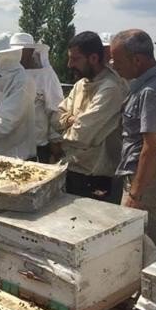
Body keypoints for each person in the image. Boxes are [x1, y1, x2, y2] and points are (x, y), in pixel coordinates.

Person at [110, 29, 156, 254]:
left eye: (117, 60)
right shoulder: (149, 84)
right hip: (143, 178)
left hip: (147, 183)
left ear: (137, 60)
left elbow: (151, 147)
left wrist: (135, 195)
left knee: (140, 247)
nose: (113, 65)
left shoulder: (152, 91)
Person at [55, 31, 128, 203]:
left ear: (93, 58)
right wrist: (71, 121)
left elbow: (81, 135)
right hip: (73, 169)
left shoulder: (110, 88)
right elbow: (56, 117)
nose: (69, 64)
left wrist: (65, 130)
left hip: (99, 177)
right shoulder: (81, 83)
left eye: (75, 59)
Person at [10, 33, 63, 163]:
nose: (21, 55)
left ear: (32, 51)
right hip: (10, 145)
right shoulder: (7, 74)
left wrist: (55, 140)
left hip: (38, 145)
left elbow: (56, 109)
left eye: (24, 51)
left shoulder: (46, 74)